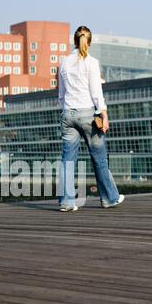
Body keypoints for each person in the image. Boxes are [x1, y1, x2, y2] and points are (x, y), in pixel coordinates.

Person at [58, 25, 125, 212]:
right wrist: (104, 114)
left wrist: (66, 109)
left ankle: (66, 202)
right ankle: (109, 198)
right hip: (87, 114)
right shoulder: (91, 62)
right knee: (99, 158)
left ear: (74, 41)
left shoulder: (63, 62)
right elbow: (96, 93)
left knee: (67, 160)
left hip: (67, 114)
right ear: (90, 41)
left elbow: (61, 94)